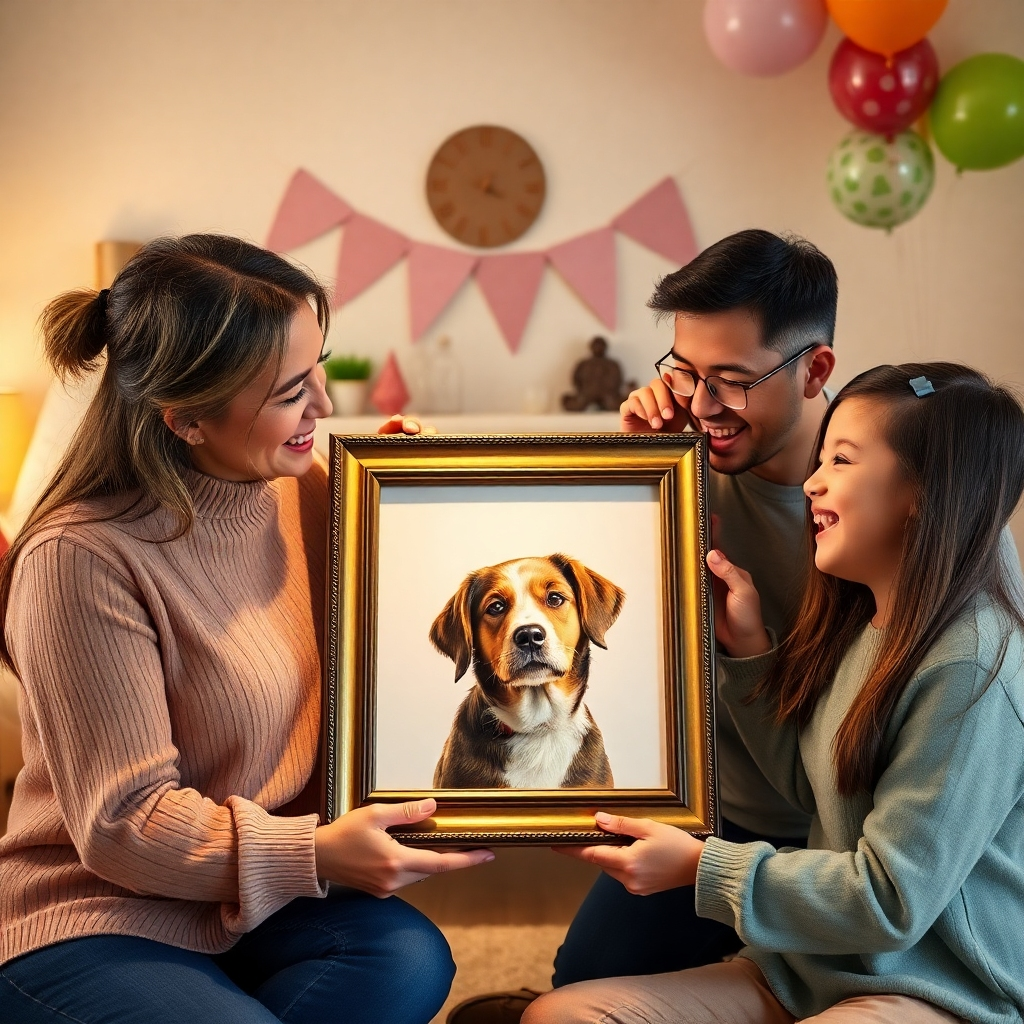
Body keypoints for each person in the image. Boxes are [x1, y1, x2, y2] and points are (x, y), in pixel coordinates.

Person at [0, 235, 492, 1024]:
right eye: (291, 390)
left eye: (317, 368)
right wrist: (318, 853)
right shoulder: (78, 559)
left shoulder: (307, 493)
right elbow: (124, 825)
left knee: (411, 960)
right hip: (98, 904)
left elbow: (396, 664)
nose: (325, 406)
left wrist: (407, 501)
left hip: (255, 901)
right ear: (187, 418)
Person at [526, 361, 1024, 1024]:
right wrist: (751, 649)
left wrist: (703, 868)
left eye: (842, 461)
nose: (813, 482)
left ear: (926, 493)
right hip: (805, 971)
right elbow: (809, 786)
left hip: (933, 989)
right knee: (561, 1014)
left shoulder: (971, 666)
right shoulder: (865, 620)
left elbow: (889, 900)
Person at [553, 229, 838, 985]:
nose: (704, 404)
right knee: (581, 979)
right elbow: (618, 648)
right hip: (717, 813)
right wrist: (640, 480)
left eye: (733, 379)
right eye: (685, 371)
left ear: (816, 371)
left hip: (844, 831)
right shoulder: (685, 457)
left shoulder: (885, 486)